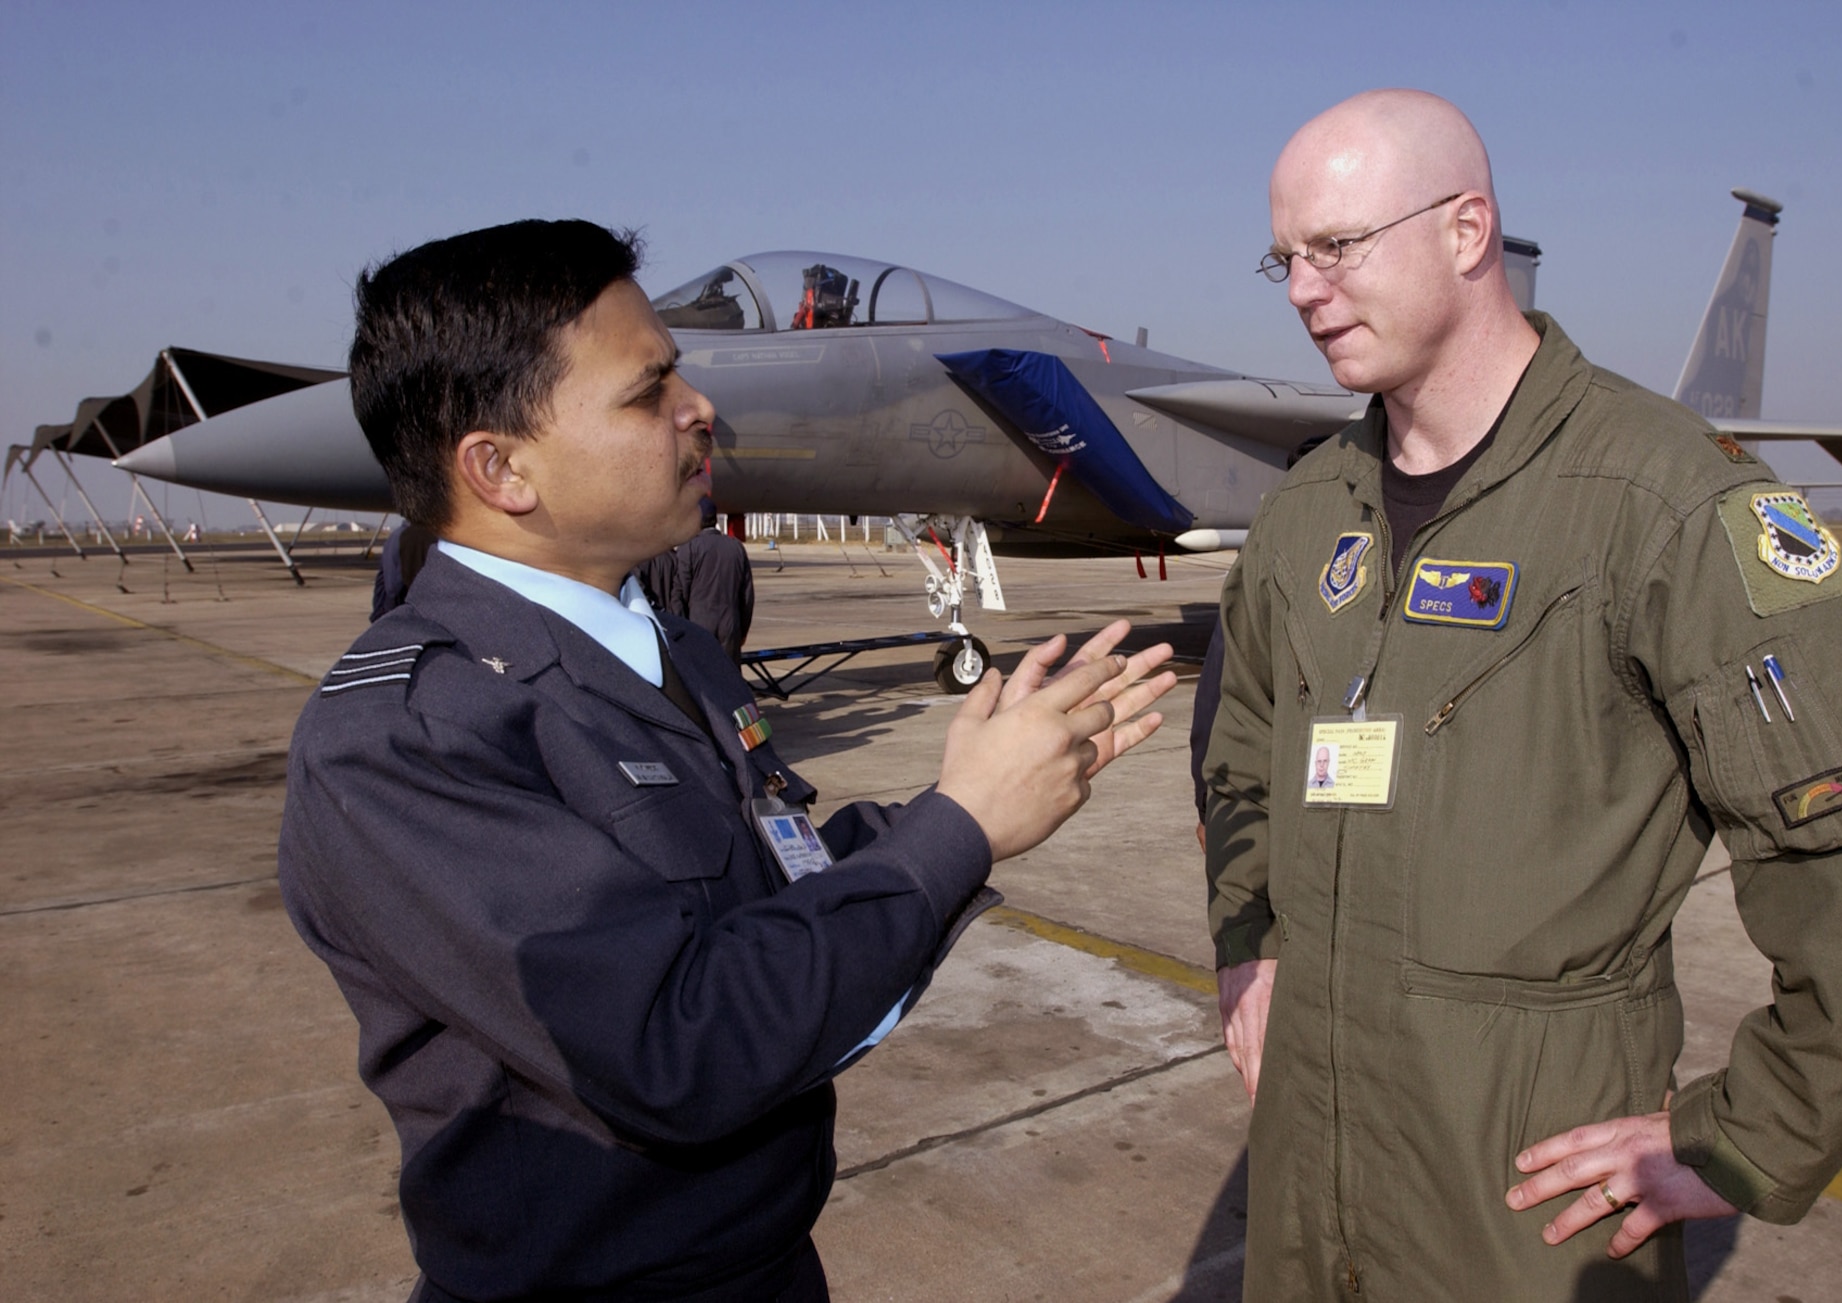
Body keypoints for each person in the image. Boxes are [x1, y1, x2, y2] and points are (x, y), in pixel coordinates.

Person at [278, 219, 1175, 1302]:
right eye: (646, 390)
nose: (697, 409)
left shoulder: (674, 655)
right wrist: (963, 825)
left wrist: (971, 791)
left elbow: (767, 893)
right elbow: (675, 1046)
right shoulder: (409, 735)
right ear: (500, 466)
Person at [1201, 90, 1842, 1301]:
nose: (1304, 290)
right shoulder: (1309, 513)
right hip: (1310, 1191)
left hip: (1523, 1209)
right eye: (1285, 258)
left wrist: (1746, 1133)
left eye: (1337, 248)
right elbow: (1241, 748)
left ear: (1466, 232)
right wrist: (1247, 948)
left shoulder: (1660, 501)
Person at [638, 499, 756, 661]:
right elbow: (747, 595)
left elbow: (679, 593)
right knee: (729, 677)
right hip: (730, 625)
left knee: (703, 676)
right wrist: (743, 629)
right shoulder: (736, 547)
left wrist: (682, 627)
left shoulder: (689, 548)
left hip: (699, 624)